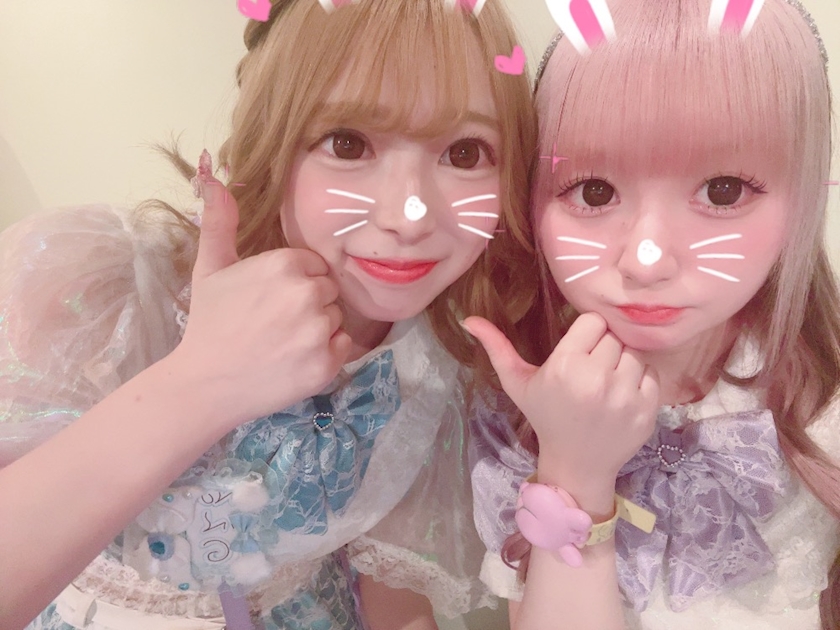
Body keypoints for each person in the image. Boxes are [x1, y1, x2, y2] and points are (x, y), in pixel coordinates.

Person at [0, 1, 539, 628]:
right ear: (272, 139)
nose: (408, 217)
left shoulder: (433, 369)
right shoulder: (101, 293)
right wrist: (203, 379)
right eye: (348, 143)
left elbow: (392, 590)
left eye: (466, 153)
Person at [463, 0, 840, 627]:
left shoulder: (822, 399)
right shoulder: (525, 402)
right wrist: (573, 471)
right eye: (594, 192)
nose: (646, 260)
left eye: (723, 191)